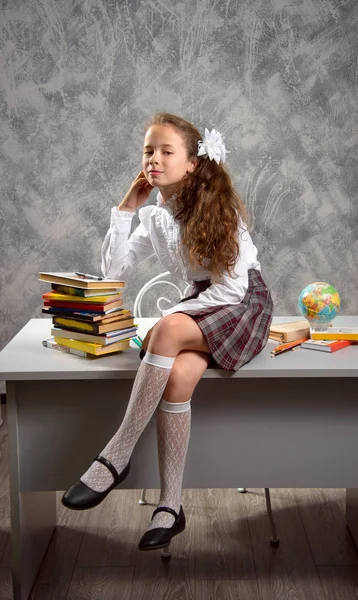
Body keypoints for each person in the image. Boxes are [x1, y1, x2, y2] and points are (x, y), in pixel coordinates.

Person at [62, 112, 274, 552]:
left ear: (193, 164)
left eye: (166, 151)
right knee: (176, 379)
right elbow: (113, 272)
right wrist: (125, 212)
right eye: (148, 151)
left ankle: (116, 454)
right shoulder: (156, 217)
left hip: (242, 305)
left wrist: (174, 318)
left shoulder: (219, 211)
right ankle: (171, 506)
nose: (153, 160)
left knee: (168, 328)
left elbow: (233, 287)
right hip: (206, 306)